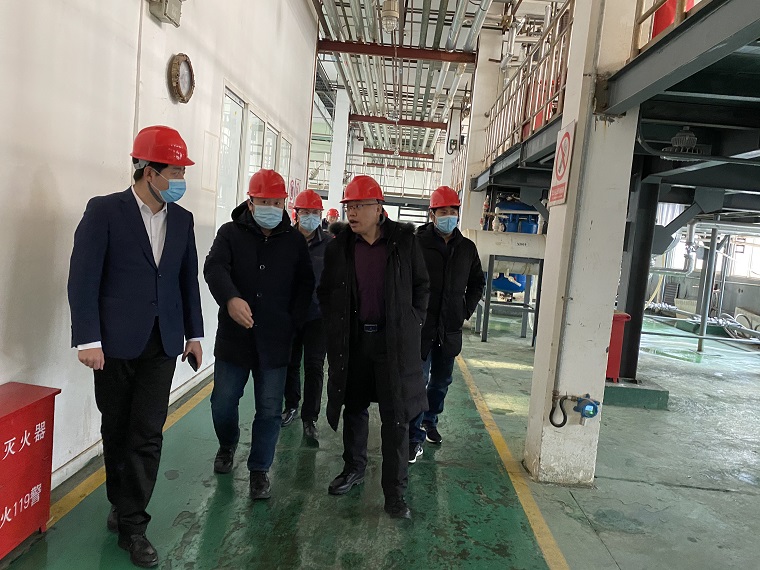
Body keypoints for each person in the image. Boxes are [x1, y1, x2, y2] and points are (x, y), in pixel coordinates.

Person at [67, 125, 204, 568]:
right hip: (113, 344)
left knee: (147, 432)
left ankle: (134, 526)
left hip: (162, 343)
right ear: (149, 171)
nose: (181, 180)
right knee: (116, 428)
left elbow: (186, 281)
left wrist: (194, 335)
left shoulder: (182, 220)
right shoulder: (105, 211)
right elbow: (83, 278)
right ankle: (120, 500)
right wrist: (88, 339)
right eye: (175, 171)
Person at [317, 175, 429, 520]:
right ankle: (353, 468)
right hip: (354, 342)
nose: (352, 213)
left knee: (396, 417)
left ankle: (394, 493)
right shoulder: (339, 247)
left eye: (360, 206)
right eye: (349, 206)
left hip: (391, 342)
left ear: (379, 208)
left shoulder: (403, 243)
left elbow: (422, 286)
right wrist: (336, 327)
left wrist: (412, 321)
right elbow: (326, 292)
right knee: (354, 407)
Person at [204, 169, 314, 500]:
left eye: (277, 203)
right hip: (234, 339)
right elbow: (214, 268)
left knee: (269, 409)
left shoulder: (294, 242)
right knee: (223, 402)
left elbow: (305, 285)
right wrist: (230, 298)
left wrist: (292, 323)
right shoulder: (230, 234)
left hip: (276, 342)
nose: (272, 208)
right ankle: (227, 444)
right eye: (265, 202)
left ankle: (259, 470)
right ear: (250, 203)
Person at [408, 186, 484, 461]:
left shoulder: (467, 248)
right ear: (432, 214)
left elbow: (477, 282)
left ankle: (430, 421)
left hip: (449, 328)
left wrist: (464, 310)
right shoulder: (417, 243)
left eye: (453, 211)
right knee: (418, 381)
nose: (448, 216)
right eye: (443, 211)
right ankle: (413, 436)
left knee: (441, 381)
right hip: (422, 327)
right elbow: (403, 280)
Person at [281, 189, 329, 443]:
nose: (310, 217)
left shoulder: (329, 244)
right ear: (296, 214)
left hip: (318, 316)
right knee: (290, 362)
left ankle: (310, 417)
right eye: (306, 212)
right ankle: (291, 405)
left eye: (315, 212)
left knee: (314, 366)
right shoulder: (285, 240)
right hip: (290, 314)